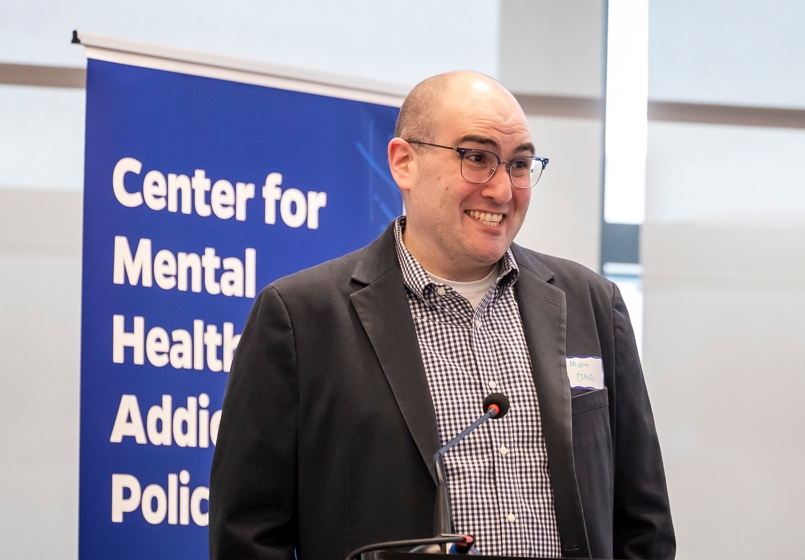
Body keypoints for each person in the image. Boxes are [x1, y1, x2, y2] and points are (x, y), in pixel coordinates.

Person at [209, 70, 675, 560]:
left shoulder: (592, 304)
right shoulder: (301, 318)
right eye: (477, 158)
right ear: (404, 162)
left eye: (519, 164)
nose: (502, 190)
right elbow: (249, 535)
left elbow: (643, 524)